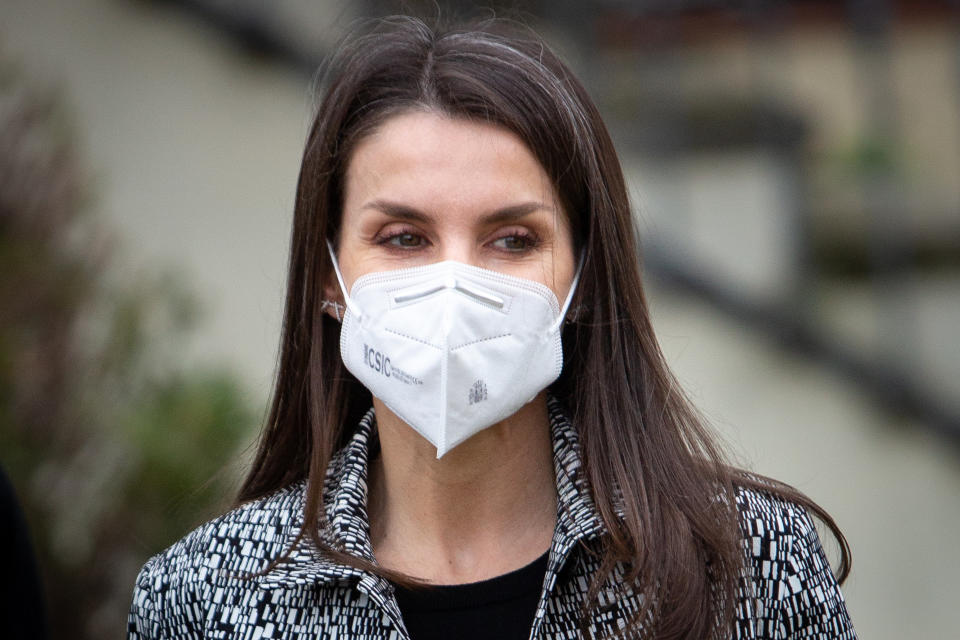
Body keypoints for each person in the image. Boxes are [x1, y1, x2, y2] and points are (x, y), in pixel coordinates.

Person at [127, 16, 856, 640]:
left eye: (512, 240)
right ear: (328, 276)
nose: (455, 284)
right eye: (403, 238)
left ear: (580, 278)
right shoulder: (201, 598)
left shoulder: (745, 570)